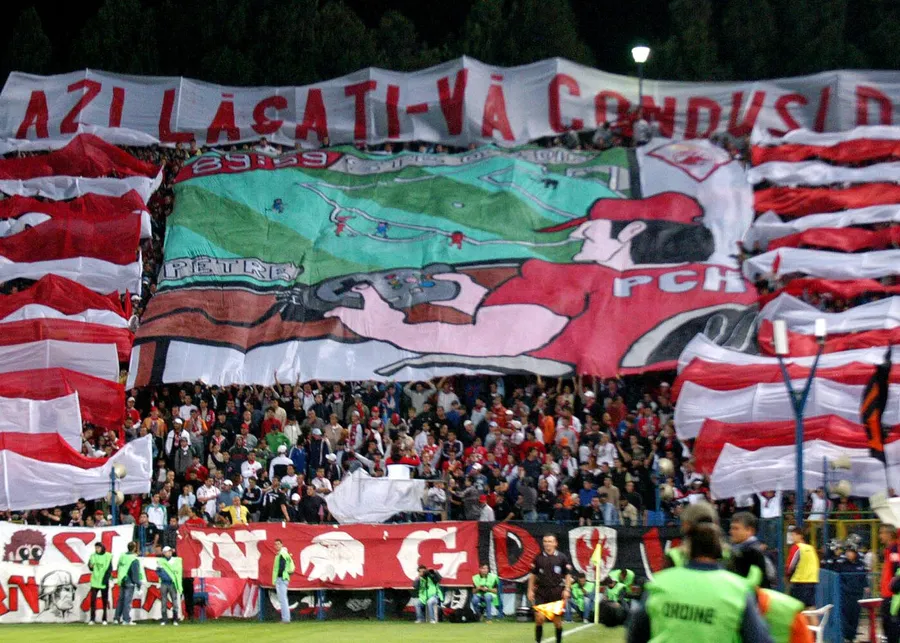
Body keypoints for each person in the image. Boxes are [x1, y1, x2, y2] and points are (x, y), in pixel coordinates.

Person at [627, 523, 774, 643]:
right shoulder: (737, 589)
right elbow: (758, 638)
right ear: (720, 550)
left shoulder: (660, 582)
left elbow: (636, 633)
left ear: (687, 550)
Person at [527, 534, 572, 643]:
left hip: (556, 592)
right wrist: (530, 590)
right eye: (545, 541)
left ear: (555, 543)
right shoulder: (538, 558)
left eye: (550, 541)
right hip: (541, 592)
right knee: (539, 618)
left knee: (557, 622)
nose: (547, 544)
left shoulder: (562, 557)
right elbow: (532, 575)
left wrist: (567, 589)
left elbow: (567, 575)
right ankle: (538, 641)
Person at [728, 512, 776, 589]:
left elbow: (769, 576)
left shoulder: (755, 552)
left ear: (749, 530)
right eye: (731, 528)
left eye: (736, 528)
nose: (731, 532)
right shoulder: (735, 549)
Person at [831, 541, 866, 643]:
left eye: (850, 552)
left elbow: (863, 578)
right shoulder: (842, 564)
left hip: (857, 594)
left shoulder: (860, 564)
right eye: (847, 552)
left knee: (855, 616)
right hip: (846, 594)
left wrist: (865, 587)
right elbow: (837, 576)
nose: (848, 554)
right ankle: (847, 635)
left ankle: (852, 637)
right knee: (845, 616)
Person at [785, 527, 819, 608]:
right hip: (811, 581)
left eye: (794, 535)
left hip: (799, 582)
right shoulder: (811, 548)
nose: (792, 537)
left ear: (800, 536)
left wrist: (787, 575)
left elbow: (791, 565)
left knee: (796, 607)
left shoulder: (796, 547)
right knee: (810, 607)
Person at [113, 542, 142, 625]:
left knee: (120, 600)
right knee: (127, 601)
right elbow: (135, 573)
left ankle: (116, 618)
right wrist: (138, 584)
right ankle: (126, 619)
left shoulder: (122, 556)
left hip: (122, 580)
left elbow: (118, 567)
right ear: (134, 548)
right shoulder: (134, 559)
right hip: (129, 582)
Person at [880, 525, 900, 643]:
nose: (880, 536)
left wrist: (893, 588)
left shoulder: (894, 549)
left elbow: (897, 572)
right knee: (888, 628)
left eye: (882, 533)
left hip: (892, 596)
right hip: (887, 595)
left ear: (889, 534)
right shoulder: (889, 550)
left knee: (892, 630)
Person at [87, 542, 112, 625]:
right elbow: (90, 567)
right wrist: (90, 566)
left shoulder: (108, 556)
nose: (97, 549)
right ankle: (92, 619)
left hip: (104, 581)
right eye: (96, 548)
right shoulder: (93, 556)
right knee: (93, 601)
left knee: (104, 601)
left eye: (98, 548)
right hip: (95, 581)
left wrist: (105, 580)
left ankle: (104, 619)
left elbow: (109, 569)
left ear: (102, 548)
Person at [157, 546, 182, 626]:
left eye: (170, 551)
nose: (170, 552)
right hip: (164, 583)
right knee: (163, 601)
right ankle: (164, 619)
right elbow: (159, 572)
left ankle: (175, 619)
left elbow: (178, 572)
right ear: (164, 553)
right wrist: (166, 577)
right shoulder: (160, 561)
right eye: (168, 551)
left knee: (174, 601)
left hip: (172, 583)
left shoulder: (176, 561)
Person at [272, 539, 295, 623]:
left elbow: (281, 566)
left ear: (281, 545)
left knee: (283, 599)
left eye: (278, 544)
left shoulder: (282, 554)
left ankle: (285, 619)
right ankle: (286, 618)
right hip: (284, 578)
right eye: (276, 544)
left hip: (281, 578)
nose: (277, 545)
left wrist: (279, 576)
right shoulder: (284, 554)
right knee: (283, 599)